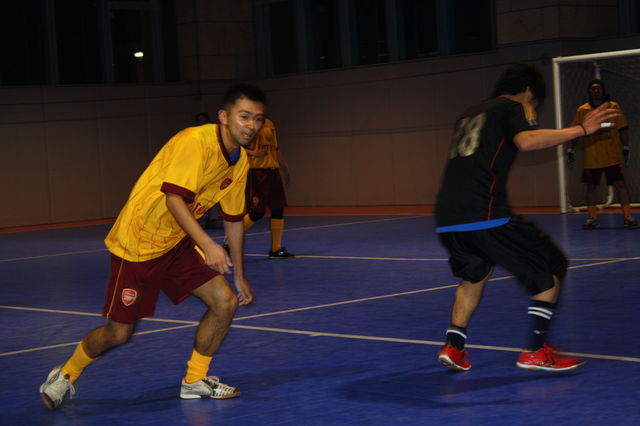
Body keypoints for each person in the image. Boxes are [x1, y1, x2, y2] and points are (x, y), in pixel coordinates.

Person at [39, 84, 267, 410]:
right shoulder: (195, 142)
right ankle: (66, 373)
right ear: (224, 116)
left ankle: (195, 380)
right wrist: (207, 244)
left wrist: (240, 275)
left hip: (176, 242)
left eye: (258, 119)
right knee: (119, 334)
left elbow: (233, 220)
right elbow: (174, 199)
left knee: (225, 302)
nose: (251, 125)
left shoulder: (240, 161)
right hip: (138, 241)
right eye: (244, 116)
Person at [434, 64, 619, 372]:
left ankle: (454, 347)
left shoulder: (470, 113)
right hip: (486, 215)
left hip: (448, 217)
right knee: (552, 266)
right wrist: (581, 129)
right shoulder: (511, 107)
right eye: (535, 103)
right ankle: (535, 350)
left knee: (475, 275)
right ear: (529, 92)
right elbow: (527, 141)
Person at [566, 79, 637, 229]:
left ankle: (628, 216)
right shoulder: (582, 110)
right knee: (591, 187)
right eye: (593, 89)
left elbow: (622, 128)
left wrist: (625, 147)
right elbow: (576, 131)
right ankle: (592, 218)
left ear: (603, 90)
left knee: (620, 185)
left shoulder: (613, 107)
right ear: (589, 91)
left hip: (612, 155)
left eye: (598, 88)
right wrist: (571, 149)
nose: (596, 91)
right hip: (592, 157)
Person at [238, 117, 295, 258]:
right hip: (257, 173)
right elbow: (235, 147)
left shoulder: (269, 123)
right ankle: (230, 239)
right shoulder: (245, 123)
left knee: (278, 208)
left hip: (273, 172)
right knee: (257, 212)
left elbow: (275, 148)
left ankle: (276, 249)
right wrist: (254, 153)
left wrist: (284, 167)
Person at [194, 112, 221, 229]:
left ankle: (212, 218)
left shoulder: (215, 135)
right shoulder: (193, 136)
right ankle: (197, 218)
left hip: (213, 170)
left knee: (213, 195)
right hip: (198, 171)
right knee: (197, 196)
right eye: (200, 121)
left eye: (204, 121)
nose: (202, 123)